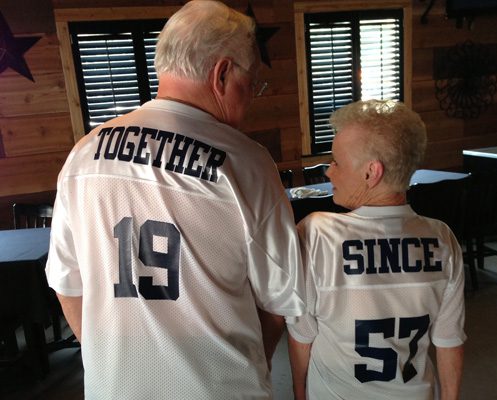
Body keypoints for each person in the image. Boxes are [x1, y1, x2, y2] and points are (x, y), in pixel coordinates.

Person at [45, 1, 305, 398]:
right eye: (251, 83)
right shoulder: (246, 163)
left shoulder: (83, 155)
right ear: (221, 73)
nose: (251, 96)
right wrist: (256, 363)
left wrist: (107, 358)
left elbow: (67, 284)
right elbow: (281, 299)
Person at [287, 99, 466, 400]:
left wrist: (298, 394)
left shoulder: (317, 234)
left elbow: (301, 336)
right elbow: (449, 341)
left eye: (336, 162)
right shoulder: (442, 239)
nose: (329, 172)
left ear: (372, 173)